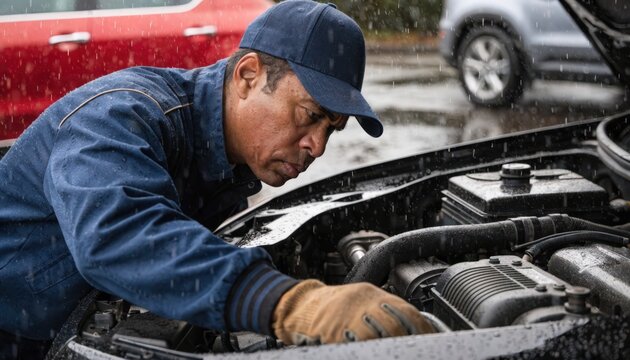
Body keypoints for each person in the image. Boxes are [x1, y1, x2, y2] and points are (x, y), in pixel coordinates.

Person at [0, 1, 433, 358]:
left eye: (330, 130)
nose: (317, 147)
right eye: (310, 116)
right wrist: (293, 303)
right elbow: (116, 235)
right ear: (248, 76)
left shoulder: (227, 165)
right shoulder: (122, 114)